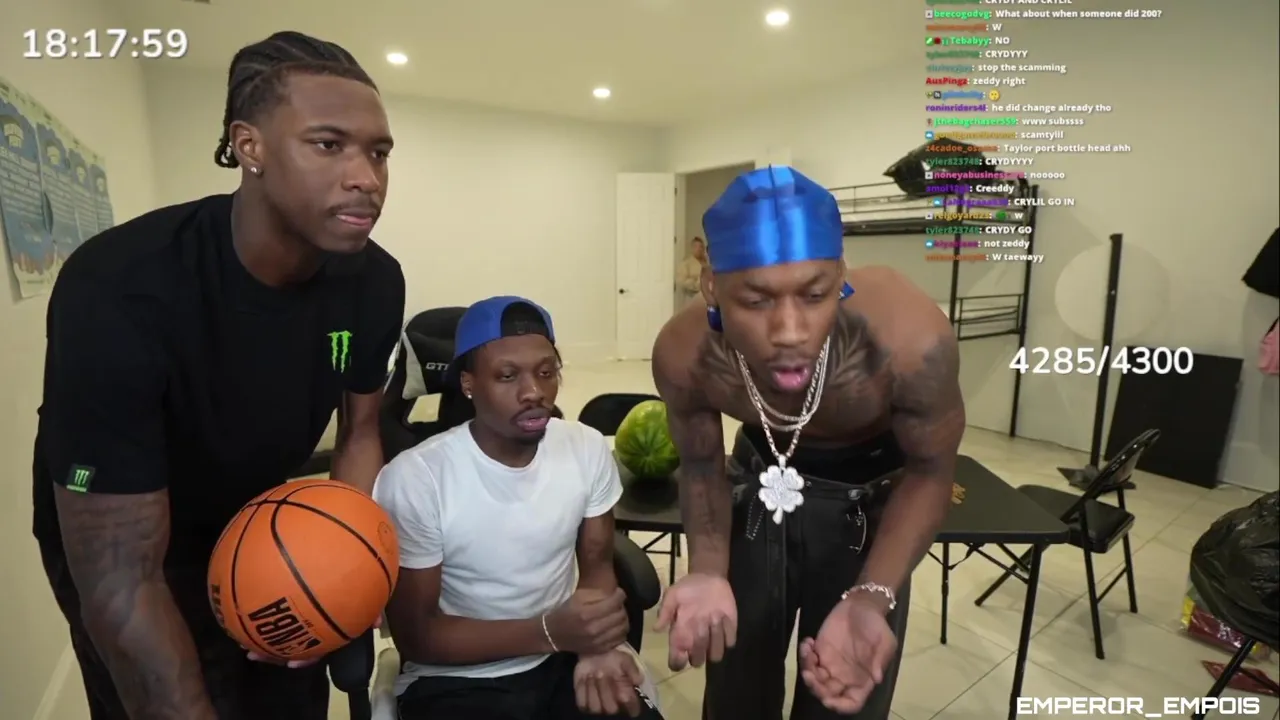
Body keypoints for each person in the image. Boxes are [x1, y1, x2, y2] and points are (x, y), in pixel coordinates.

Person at [31, 31, 405, 720]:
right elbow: (122, 582)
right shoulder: (119, 287)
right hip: (131, 533)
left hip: (262, 508)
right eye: (328, 145)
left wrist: (342, 562)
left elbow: (359, 433)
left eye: (378, 152)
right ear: (249, 145)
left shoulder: (373, 281)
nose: (367, 177)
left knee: (288, 694)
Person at [650, 166, 964, 719]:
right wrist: (707, 569)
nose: (790, 331)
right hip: (757, 488)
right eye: (756, 301)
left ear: (840, 274)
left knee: (842, 685)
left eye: (815, 295)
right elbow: (700, 466)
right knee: (737, 689)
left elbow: (931, 471)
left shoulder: (910, 342)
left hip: (870, 500)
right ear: (711, 285)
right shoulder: (686, 353)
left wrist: (872, 597)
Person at [373, 296, 662, 720]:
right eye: (507, 376)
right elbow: (417, 637)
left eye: (546, 372)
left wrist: (597, 645)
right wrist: (549, 632)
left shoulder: (585, 448)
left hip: (562, 658)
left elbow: (597, 568)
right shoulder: (417, 479)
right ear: (469, 383)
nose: (534, 392)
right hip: (454, 680)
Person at [677, 237, 709, 307]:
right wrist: (696, 282)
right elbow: (681, 281)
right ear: (692, 248)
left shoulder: (708, 263)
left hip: (707, 298)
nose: (698, 249)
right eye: (696, 247)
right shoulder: (686, 264)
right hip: (692, 296)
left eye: (701, 247)